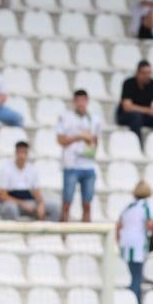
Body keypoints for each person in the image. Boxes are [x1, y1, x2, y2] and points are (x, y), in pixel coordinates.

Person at [56, 90, 101, 223]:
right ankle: (62, 234)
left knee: (87, 204)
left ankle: (86, 236)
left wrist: (89, 140)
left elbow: (96, 142)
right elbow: (60, 141)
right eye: (78, 100)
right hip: (71, 165)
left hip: (88, 164)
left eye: (84, 100)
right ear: (74, 102)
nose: (81, 103)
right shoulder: (65, 117)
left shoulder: (94, 119)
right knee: (67, 203)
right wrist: (79, 136)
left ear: (87, 102)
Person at [0, 141, 59, 221]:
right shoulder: (6, 169)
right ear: (16, 153)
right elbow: (3, 196)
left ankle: (45, 231)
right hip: (12, 202)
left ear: (27, 154)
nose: (22, 156)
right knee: (11, 208)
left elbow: (37, 193)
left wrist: (41, 204)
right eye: (20, 152)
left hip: (28, 201)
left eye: (24, 152)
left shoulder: (32, 169)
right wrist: (22, 203)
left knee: (55, 208)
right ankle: (16, 232)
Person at [116, 182, 153, 304]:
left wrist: (119, 240)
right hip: (138, 243)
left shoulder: (128, 207)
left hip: (125, 243)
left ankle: (134, 302)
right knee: (137, 277)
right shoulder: (146, 206)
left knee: (134, 275)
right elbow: (150, 225)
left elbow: (118, 226)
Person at [117, 61, 153, 140]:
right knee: (136, 117)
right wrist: (148, 110)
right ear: (137, 73)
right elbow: (127, 107)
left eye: (149, 73)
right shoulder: (128, 83)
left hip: (144, 116)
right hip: (126, 116)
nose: (147, 76)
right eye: (144, 73)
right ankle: (137, 145)